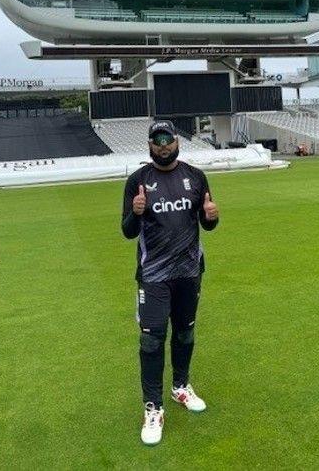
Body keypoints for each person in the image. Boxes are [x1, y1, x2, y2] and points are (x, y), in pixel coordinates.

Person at [120, 120, 220, 446]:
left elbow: (207, 225)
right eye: (156, 140)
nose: (162, 145)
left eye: (167, 139)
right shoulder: (138, 181)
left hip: (189, 272)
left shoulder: (196, 177)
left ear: (177, 141)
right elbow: (128, 231)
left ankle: (180, 386)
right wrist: (136, 212)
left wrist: (211, 216)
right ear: (149, 145)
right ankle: (153, 407)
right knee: (151, 341)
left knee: (186, 332)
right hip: (153, 276)